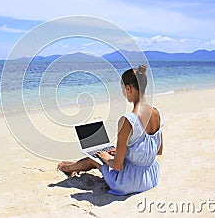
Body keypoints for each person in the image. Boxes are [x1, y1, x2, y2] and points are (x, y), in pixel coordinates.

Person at [57, 65, 163, 195]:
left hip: (129, 183)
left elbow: (117, 166)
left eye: (123, 89)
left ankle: (68, 168)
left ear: (128, 88)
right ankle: (73, 165)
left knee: (96, 158)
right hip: (151, 177)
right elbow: (158, 150)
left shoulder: (127, 120)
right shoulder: (157, 113)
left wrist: (107, 157)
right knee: (108, 154)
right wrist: (127, 152)